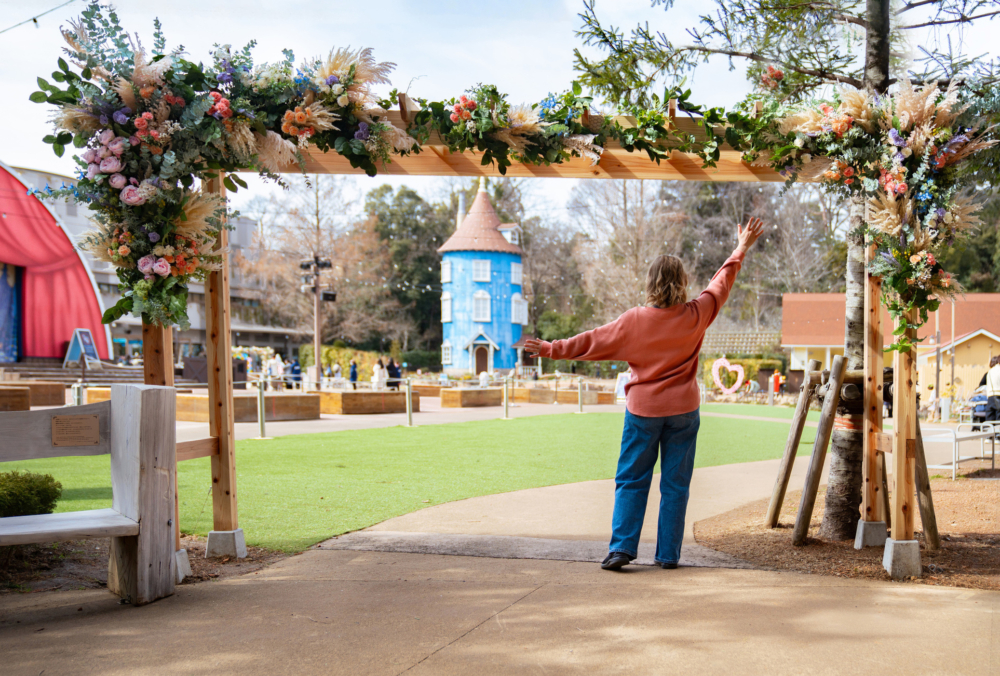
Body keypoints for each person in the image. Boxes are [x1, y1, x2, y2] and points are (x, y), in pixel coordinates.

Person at [526, 217, 764, 572]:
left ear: (650, 283)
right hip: (684, 411)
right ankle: (668, 554)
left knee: (631, 480)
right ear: (682, 282)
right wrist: (741, 247)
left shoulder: (634, 320)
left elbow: (591, 341)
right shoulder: (696, 315)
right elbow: (720, 284)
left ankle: (622, 548)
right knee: (675, 485)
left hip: (643, 413)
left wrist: (551, 348)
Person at [985, 356, 1000, 422]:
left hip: (990, 397)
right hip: (999, 396)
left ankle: (988, 431)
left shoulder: (990, 371)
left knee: (990, 421)